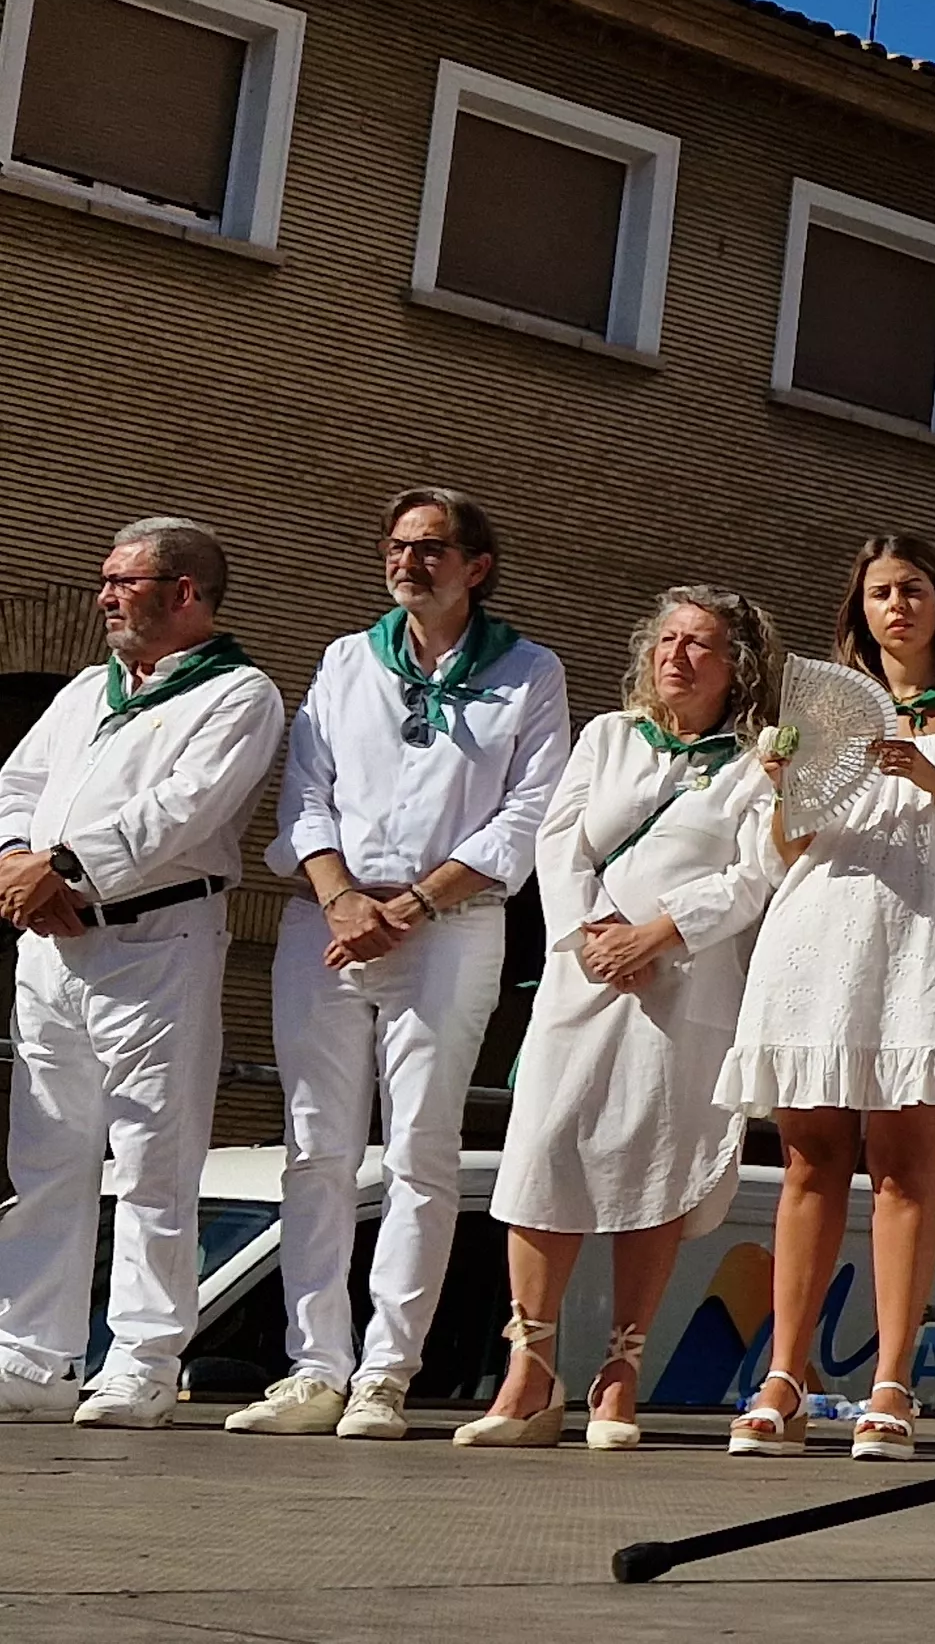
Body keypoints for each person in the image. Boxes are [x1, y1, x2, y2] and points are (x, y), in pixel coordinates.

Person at [233, 490, 571, 1441]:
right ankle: (313, 1368)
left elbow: (525, 817)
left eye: (431, 549)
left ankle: (387, 1370)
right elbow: (307, 795)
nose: (409, 562)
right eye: (397, 546)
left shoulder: (530, 672)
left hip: (450, 928)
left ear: (478, 566)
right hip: (329, 922)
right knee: (315, 1149)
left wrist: (415, 905)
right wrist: (345, 899)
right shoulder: (347, 659)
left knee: (419, 1147)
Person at [721, 537, 935, 1466]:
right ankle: (786, 1375)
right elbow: (779, 855)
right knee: (807, 1162)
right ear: (857, 611)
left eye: (912, 589)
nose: (896, 606)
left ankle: (891, 1381)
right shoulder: (819, 716)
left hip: (928, 949)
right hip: (820, 941)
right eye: (878, 593)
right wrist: (787, 789)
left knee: (908, 1165)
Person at [462, 587, 788, 1450]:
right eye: (667, 640)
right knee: (543, 1155)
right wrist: (595, 932)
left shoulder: (759, 763)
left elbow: (754, 876)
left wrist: (661, 932)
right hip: (585, 981)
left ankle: (620, 1374)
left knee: (655, 1167)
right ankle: (529, 1373)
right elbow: (559, 841)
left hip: (687, 987)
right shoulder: (608, 737)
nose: (677, 657)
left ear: (738, 668)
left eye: (701, 646)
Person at [0, 519, 284, 1428]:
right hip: (52, 946)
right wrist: (17, 859)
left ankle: (143, 1361)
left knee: (153, 1161)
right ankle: (33, 1356)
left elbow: (183, 809)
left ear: (186, 592)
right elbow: (18, 782)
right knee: (46, 1158)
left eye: (125, 581)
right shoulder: (88, 690)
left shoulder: (239, 694)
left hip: (157, 944)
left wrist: (68, 868)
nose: (106, 596)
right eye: (105, 578)